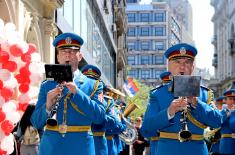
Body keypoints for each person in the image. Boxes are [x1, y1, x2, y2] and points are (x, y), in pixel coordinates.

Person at [140, 43, 226, 155]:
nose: (182, 67)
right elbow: (146, 130)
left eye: (187, 62)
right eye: (177, 62)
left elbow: (217, 122)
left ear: (193, 67)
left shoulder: (206, 93)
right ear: (169, 67)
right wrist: (169, 112)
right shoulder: (158, 94)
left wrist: (196, 103)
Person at [30, 32, 106, 155]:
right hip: (51, 149)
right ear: (58, 57)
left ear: (80, 56)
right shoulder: (47, 85)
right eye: (63, 52)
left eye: (71, 51)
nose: (67, 55)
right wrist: (48, 105)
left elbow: (99, 117)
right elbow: (36, 122)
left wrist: (77, 92)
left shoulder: (94, 85)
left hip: (80, 148)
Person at [219, 85, 235, 155]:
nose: (233, 101)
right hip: (226, 144)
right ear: (226, 100)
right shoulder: (222, 112)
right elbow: (217, 123)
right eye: (230, 99)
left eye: (234, 99)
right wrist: (228, 114)